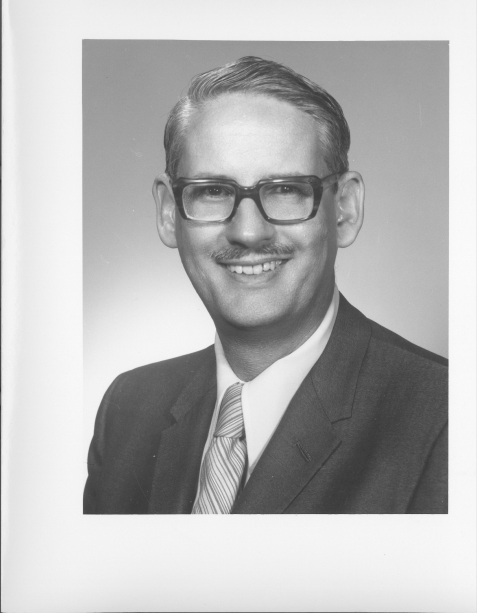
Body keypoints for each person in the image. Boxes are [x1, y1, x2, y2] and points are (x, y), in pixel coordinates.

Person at [84, 56, 447, 514]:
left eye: (286, 189)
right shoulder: (128, 409)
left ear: (345, 209)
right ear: (168, 213)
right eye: (213, 191)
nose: (249, 232)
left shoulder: (446, 417)